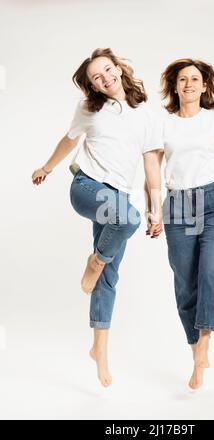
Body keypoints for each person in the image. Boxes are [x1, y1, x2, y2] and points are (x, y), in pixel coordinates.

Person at [32, 48, 162, 387]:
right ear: (93, 86)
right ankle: (95, 259)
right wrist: (47, 167)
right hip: (87, 186)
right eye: (96, 77)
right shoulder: (89, 108)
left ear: (118, 68)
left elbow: (151, 165)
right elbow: (68, 140)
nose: (105, 78)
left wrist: (155, 209)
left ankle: (99, 351)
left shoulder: (145, 115)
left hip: (117, 197)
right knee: (127, 223)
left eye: (107, 70)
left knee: (109, 277)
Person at [145, 57, 214, 390]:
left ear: (204, 85)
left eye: (195, 79)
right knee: (185, 283)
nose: (189, 84)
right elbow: (152, 173)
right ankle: (196, 350)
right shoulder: (162, 125)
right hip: (178, 205)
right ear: (175, 86)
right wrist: (154, 210)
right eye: (182, 79)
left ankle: (203, 348)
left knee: (210, 271)